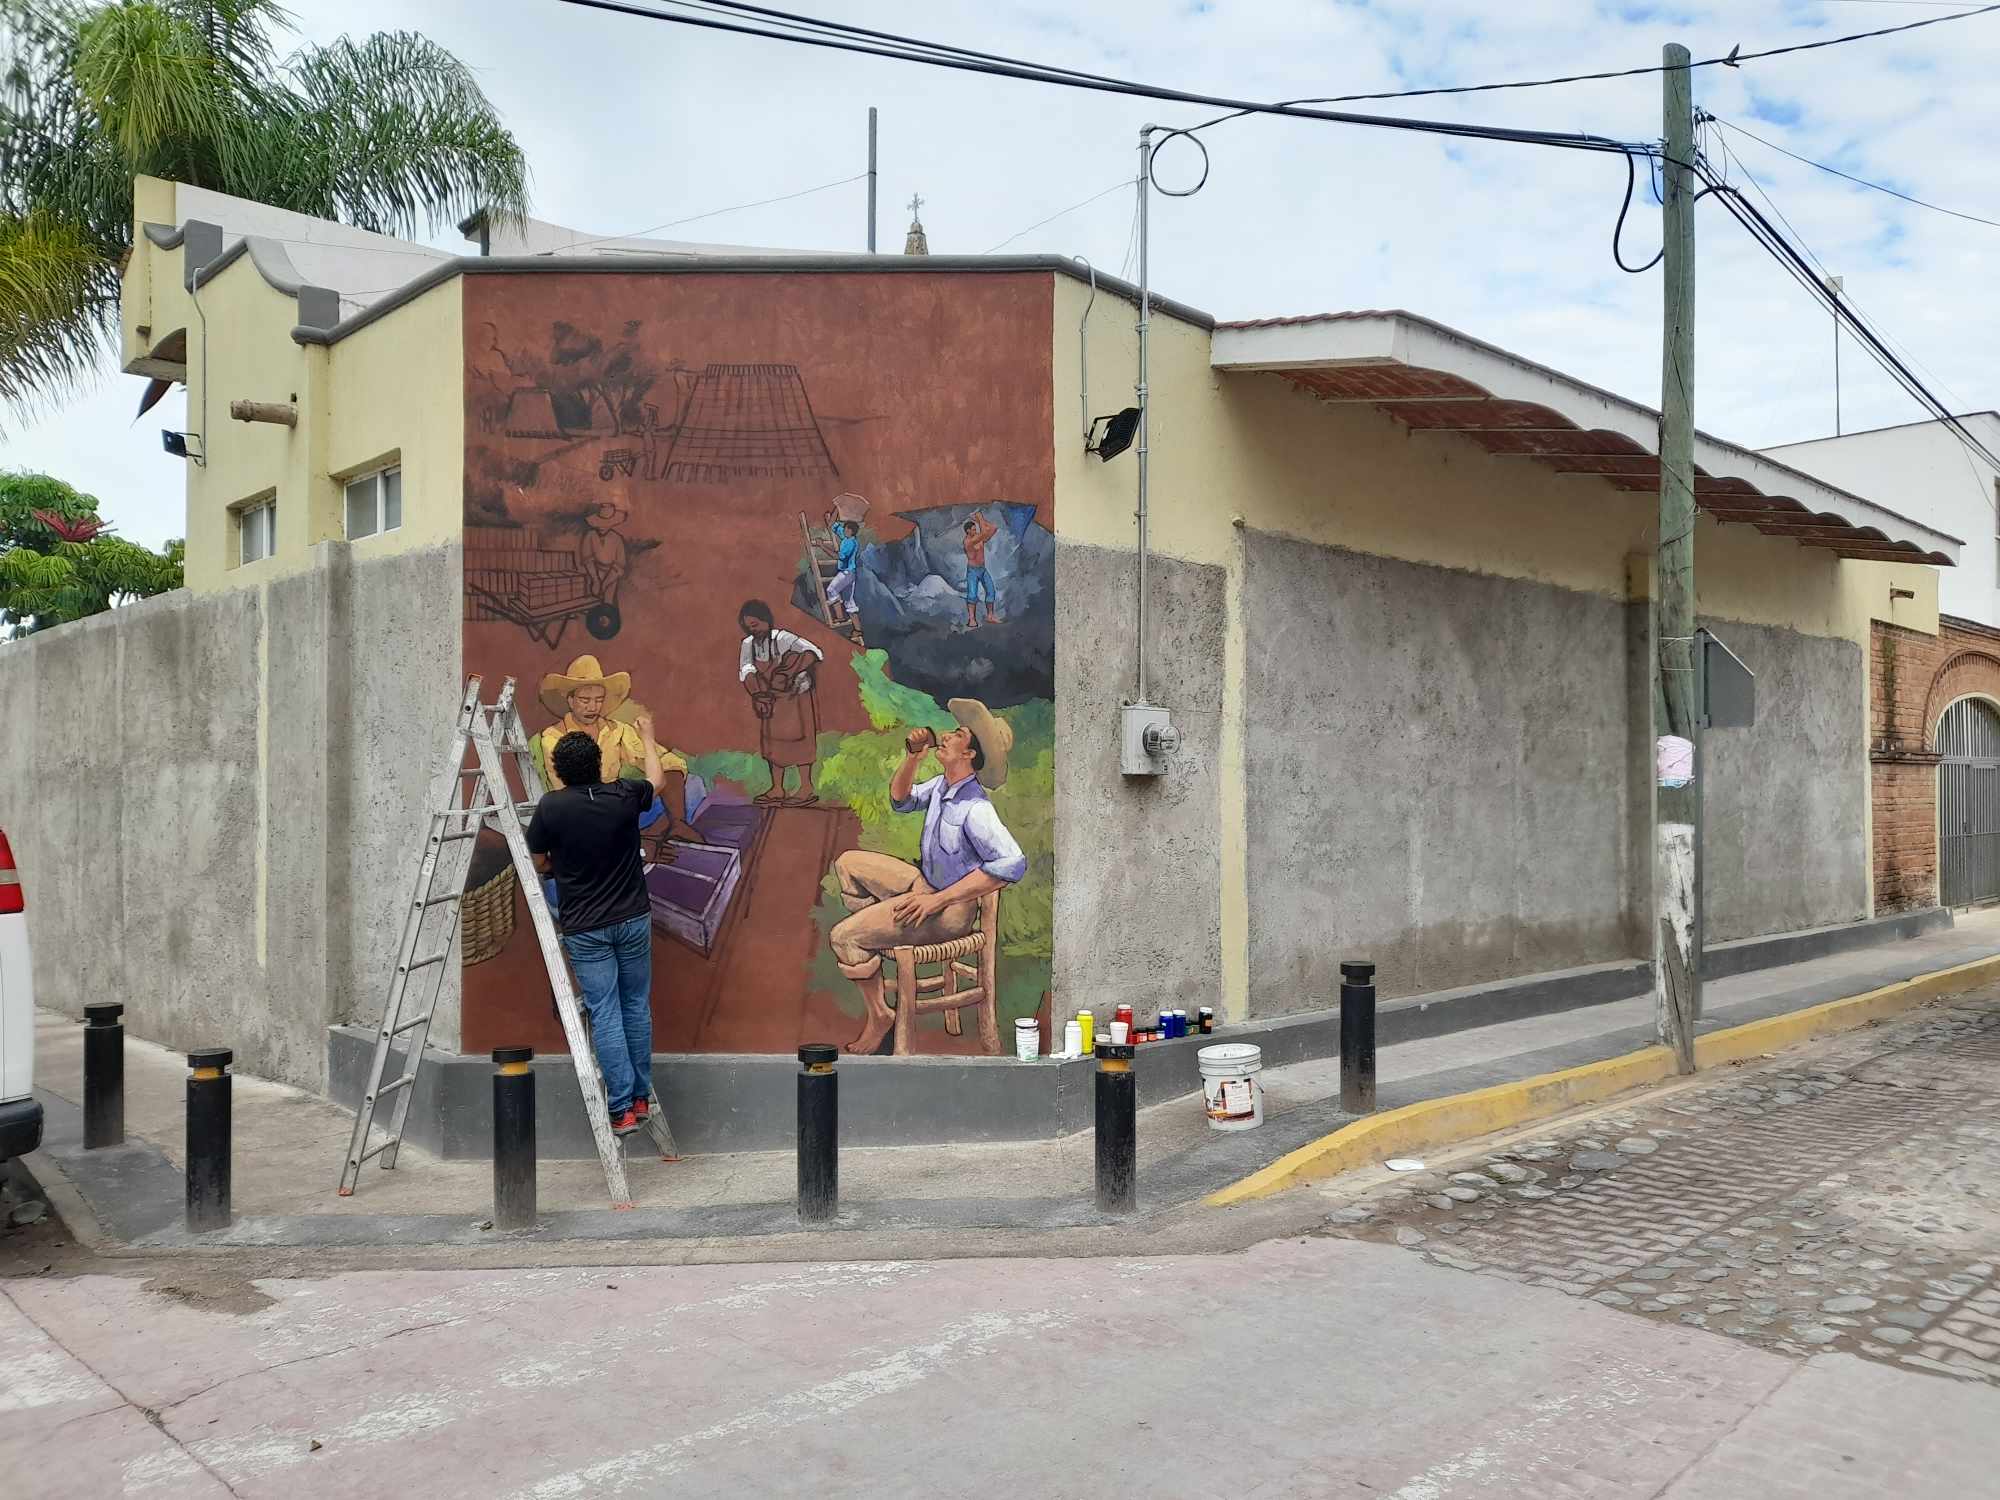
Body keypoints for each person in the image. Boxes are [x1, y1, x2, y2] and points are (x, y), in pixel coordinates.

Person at [828, 697, 1024, 1054]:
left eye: (959, 734)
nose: (947, 735)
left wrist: (937, 900)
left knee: (843, 937)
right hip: (924, 885)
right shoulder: (940, 786)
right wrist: (913, 758)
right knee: (847, 863)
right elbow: (900, 800)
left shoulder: (975, 809)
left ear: (970, 755)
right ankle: (876, 933)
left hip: (949, 913)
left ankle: (878, 1014)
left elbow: (1012, 863)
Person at [526, 721, 673, 1136]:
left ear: (558, 770)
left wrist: (561, 867)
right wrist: (647, 735)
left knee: (605, 1011)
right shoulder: (623, 795)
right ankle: (641, 1097)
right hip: (631, 918)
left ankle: (622, 1108)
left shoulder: (551, 807)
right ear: (599, 763)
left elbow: (537, 861)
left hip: (586, 926)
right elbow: (657, 780)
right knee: (635, 1006)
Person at [537, 653, 700, 842]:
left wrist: (665, 767)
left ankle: (675, 828)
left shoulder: (615, 729)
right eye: (585, 700)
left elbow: (661, 760)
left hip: (616, 806)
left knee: (693, 785)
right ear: (571, 701)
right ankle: (635, 843)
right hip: (583, 818)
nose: (593, 707)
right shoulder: (553, 738)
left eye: (599, 700)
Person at [738, 600, 825, 806]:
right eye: (749, 626)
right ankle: (777, 788)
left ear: (766, 621)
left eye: (756, 624)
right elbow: (746, 669)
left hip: (796, 698)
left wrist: (788, 672)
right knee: (772, 744)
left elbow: (813, 652)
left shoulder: (784, 638)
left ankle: (806, 788)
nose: (754, 630)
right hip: (771, 701)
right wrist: (758, 694)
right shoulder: (748, 644)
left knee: (801, 742)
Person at [815, 519, 861, 625]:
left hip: (846, 573)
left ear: (850, 531)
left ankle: (840, 617)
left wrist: (822, 545)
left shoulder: (850, 543)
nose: (844, 530)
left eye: (846, 529)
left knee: (831, 590)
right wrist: (836, 507)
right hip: (850, 573)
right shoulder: (846, 537)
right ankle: (858, 630)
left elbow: (837, 556)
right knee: (849, 602)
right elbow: (833, 525)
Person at [961, 512, 1002, 628]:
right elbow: (984, 532)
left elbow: (993, 528)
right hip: (972, 571)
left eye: (976, 529)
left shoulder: (978, 538)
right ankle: (972, 620)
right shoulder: (968, 542)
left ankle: (990, 615)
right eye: (973, 529)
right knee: (972, 595)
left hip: (982, 570)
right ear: (968, 531)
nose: (975, 531)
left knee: (991, 591)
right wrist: (980, 517)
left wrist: (980, 521)